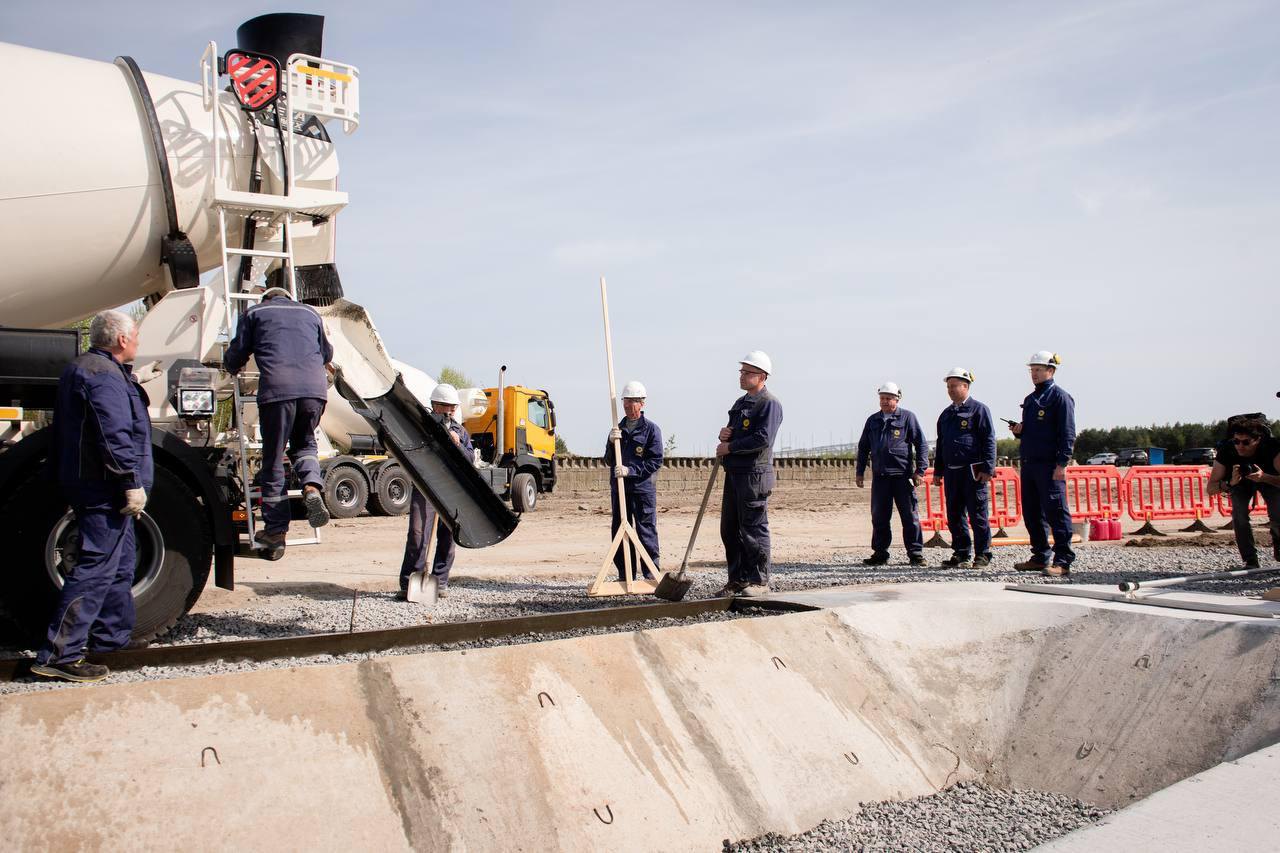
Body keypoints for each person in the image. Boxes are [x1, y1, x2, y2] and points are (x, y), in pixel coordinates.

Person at [31, 310, 153, 683]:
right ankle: (59, 654)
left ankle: (111, 638)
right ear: (120, 340)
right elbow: (112, 432)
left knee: (120, 566)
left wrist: (132, 381)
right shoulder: (102, 376)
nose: (136, 342)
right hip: (105, 487)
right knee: (97, 567)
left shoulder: (98, 370)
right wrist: (130, 480)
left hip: (100, 484)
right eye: (134, 336)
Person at [223, 286, 333, 557]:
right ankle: (311, 487)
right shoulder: (310, 313)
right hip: (314, 391)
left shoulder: (255, 313)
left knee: (273, 458)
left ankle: (275, 532)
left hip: (278, 391)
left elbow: (238, 352)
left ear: (266, 298)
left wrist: (230, 366)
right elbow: (327, 354)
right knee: (305, 445)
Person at [715, 351, 783, 597]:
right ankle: (738, 578)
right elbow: (735, 431)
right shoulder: (740, 403)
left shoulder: (769, 404)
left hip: (754, 474)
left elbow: (763, 438)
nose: (742, 376)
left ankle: (759, 580)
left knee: (753, 529)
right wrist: (725, 435)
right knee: (729, 528)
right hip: (734, 472)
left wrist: (730, 446)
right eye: (741, 372)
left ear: (762, 376)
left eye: (747, 372)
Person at [399, 383, 474, 599]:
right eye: (445, 407)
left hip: (452, 492)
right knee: (417, 533)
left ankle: (440, 582)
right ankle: (408, 582)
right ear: (434, 406)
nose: (449, 411)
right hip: (425, 487)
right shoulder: (422, 427)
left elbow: (470, 460)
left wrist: (458, 444)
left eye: (452, 407)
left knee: (448, 536)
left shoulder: (460, 431)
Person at [1009, 351, 1076, 576]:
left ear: (1051, 370)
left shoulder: (1060, 397)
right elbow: (1032, 430)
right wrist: (1019, 431)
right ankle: (1040, 556)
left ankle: (1063, 560)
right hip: (1029, 464)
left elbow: (1067, 433)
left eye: (1038, 370)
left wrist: (1062, 463)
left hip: (1049, 465)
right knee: (1032, 513)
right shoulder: (1030, 399)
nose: (1034, 374)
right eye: (1032, 370)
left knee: (1056, 512)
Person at [856, 383, 928, 567]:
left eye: (889, 398)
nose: (885, 401)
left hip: (903, 477)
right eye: (882, 398)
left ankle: (915, 554)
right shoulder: (873, 420)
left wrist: (920, 470)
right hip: (880, 477)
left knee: (909, 517)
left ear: (897, 399)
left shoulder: (907, 418)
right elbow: (863, 447)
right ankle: (880, 553)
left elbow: (921, 444)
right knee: (879, 517)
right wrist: (860, 472)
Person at [934, 368, 997, 569]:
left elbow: (988, 440)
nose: (950, 390)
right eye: (948, 386)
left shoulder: (979, 410)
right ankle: (961, 552)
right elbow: (941, 444)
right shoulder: (946, 415)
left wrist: (988, 467)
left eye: (954, 386)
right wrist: (938, 471)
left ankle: (983, 554)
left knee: (977, 514)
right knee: (954, 515)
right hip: (952, 472)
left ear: (966, 386)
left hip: (973, 472)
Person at [604, 381, 664, 581]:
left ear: (642, 403)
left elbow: (655, 461)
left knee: (646, 530)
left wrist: (631, 470)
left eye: (633, 403)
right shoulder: (616, 429)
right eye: (626, 403)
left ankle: (650, 573)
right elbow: (608, 460)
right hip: (620, 489)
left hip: (642, 489)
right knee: (620, 531)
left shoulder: (651, 430)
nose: (628, 407)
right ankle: (626, 574)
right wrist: (612, 443)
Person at [1206, 415, 1280, 569]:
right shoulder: (1227, 450)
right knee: (1239, 516)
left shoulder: (1272, 448)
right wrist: (1228, 483)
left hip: (1269, 478)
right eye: (1236, 441)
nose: (1240, 446)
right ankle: (1250, 560)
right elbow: (1210, 488)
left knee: (1277, 513)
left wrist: (1264, 477)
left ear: (1257, 440)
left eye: (1246, 442)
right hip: (1239, 481)